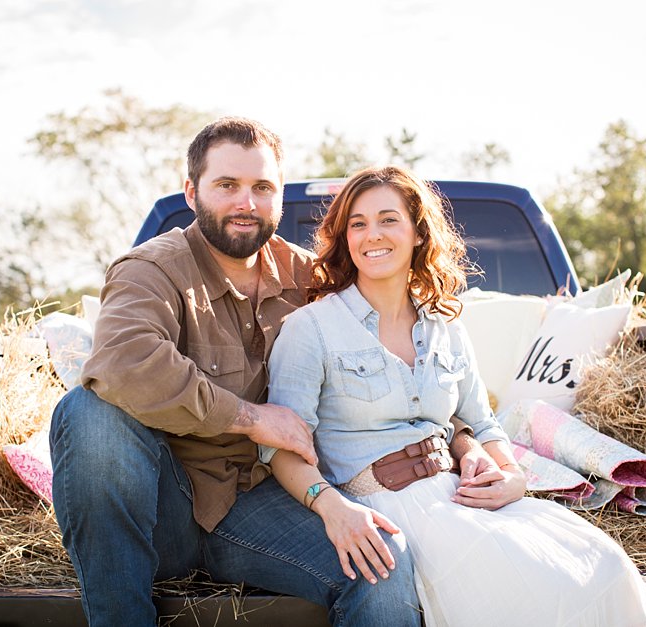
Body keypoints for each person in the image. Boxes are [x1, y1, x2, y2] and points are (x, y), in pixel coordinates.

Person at [49, 118, 420, 627]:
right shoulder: (150, 269)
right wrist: (250, 418)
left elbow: (397, 345)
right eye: (227, 185)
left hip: (265, 499)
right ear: (191, 191)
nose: (246, 203)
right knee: (87, 412)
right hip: (164, 508)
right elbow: (123, 362)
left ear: (280, 197)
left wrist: (466, 438)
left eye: (262, 188)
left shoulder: (311, 279)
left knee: (381, 565)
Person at [263, 165, 646, 626]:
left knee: (603, 563)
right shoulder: (310, 328)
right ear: (345, 239)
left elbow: (483, 422)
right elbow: (281, 446)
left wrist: (511, 475)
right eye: (358, 223)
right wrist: (332, 508)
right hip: (379, 506)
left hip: (455, 497)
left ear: (417, 232)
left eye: (388, 219)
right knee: (519, 588)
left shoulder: (445, 326)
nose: (372, 234)